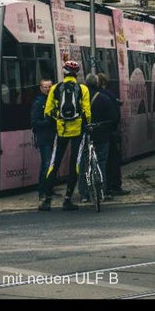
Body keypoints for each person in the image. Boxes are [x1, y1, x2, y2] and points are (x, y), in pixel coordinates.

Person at [41, 60, 92, 211]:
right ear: (77, 74)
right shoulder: (82, 89)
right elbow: (87, 112)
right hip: (77, 131)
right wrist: (86, 126)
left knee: (53, 164)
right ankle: (68, 199)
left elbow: (47, 112)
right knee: (74, 165)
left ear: (64, 73)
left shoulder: (55, 88)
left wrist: (57, 124)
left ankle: (47, 200)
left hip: (61, 130)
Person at [82, 73, 119, 201]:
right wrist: (110, 130)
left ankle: (84, 194)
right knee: (101, 163)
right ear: (97, 83)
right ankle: (102, 192)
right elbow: (114, 118)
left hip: (84, 135)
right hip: (102, 135)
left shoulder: (80, 97)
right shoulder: (104, 98)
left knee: (84, 165)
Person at [98, 73, 126, 195]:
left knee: (101, 161)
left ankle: (103, 187)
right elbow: (115, 116)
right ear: (105, 83)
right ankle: (115, 186)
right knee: (113, 160)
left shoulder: (90, 94)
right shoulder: (109, 95)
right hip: (109, 132)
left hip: (95, 132)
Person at [30, 77, 55, 202]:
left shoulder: (53, 100)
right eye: (45, 87)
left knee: (50, 164)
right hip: (44, 137)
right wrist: (49, 122)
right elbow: (35, 122)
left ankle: (49, 189)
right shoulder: (39, 102)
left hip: (52, 137)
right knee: (46, 164)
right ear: (41, 88)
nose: (48, 89)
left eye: (50, 86)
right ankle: (43, 190)